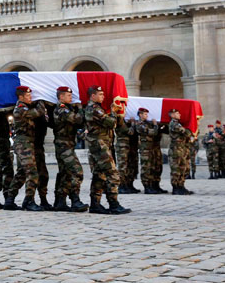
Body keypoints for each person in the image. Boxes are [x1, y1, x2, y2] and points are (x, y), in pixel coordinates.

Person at [83, 86, 131, 214]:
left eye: (103, 94)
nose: (103, 97)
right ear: (92, 96)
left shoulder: (99, 109)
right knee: (113, 174)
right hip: (99, 145)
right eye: (100, 94)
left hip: (103, 144)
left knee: (100, 175)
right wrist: (114, 111)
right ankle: (113, 203)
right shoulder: (93, 109)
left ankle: (95, 204)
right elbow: (111, 123)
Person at [5, 86, 45, 211]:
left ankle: (9, 200)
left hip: (27, 143)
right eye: (28, 96)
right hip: (23, 144)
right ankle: (29, 201)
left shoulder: (25, 107)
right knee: (32, 172)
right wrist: (41, 100)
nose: (30, 98)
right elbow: (38, 113)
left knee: (22, 173)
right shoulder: (21, 109)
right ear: (21, 97)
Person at [52, 86, 88, 212]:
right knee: (76, 171)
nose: (71, 98)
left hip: (67, 145)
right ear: (61, 97)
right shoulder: (61, 109)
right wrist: (81, 108)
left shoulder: (68, 108)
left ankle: (60, 201)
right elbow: (77, 119)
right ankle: (75, 200)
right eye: (68, 96)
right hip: (63, 146)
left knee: (65, 174)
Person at [134, 108, 161, 193]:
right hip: (145, 149)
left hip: (151, 148)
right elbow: (153, 132)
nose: (147, 116)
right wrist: (155, 125)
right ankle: (147, 186)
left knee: (152, 167)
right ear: (140, 115)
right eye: (145, 114)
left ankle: (153, 185)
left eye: (147, 114)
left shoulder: (147, 123)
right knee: (146, 168)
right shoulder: (139, 124)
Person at [168, 109, 194, 195]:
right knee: (176, 169)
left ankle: (181, 186)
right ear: (172, 115)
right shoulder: (173, 124)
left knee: (182, 168)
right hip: (176, 149)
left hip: (181, 149)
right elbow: (186, 133)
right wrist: (190, 130)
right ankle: (176, 188)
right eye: (177, 113)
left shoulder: (178, 123)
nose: (180, 114)